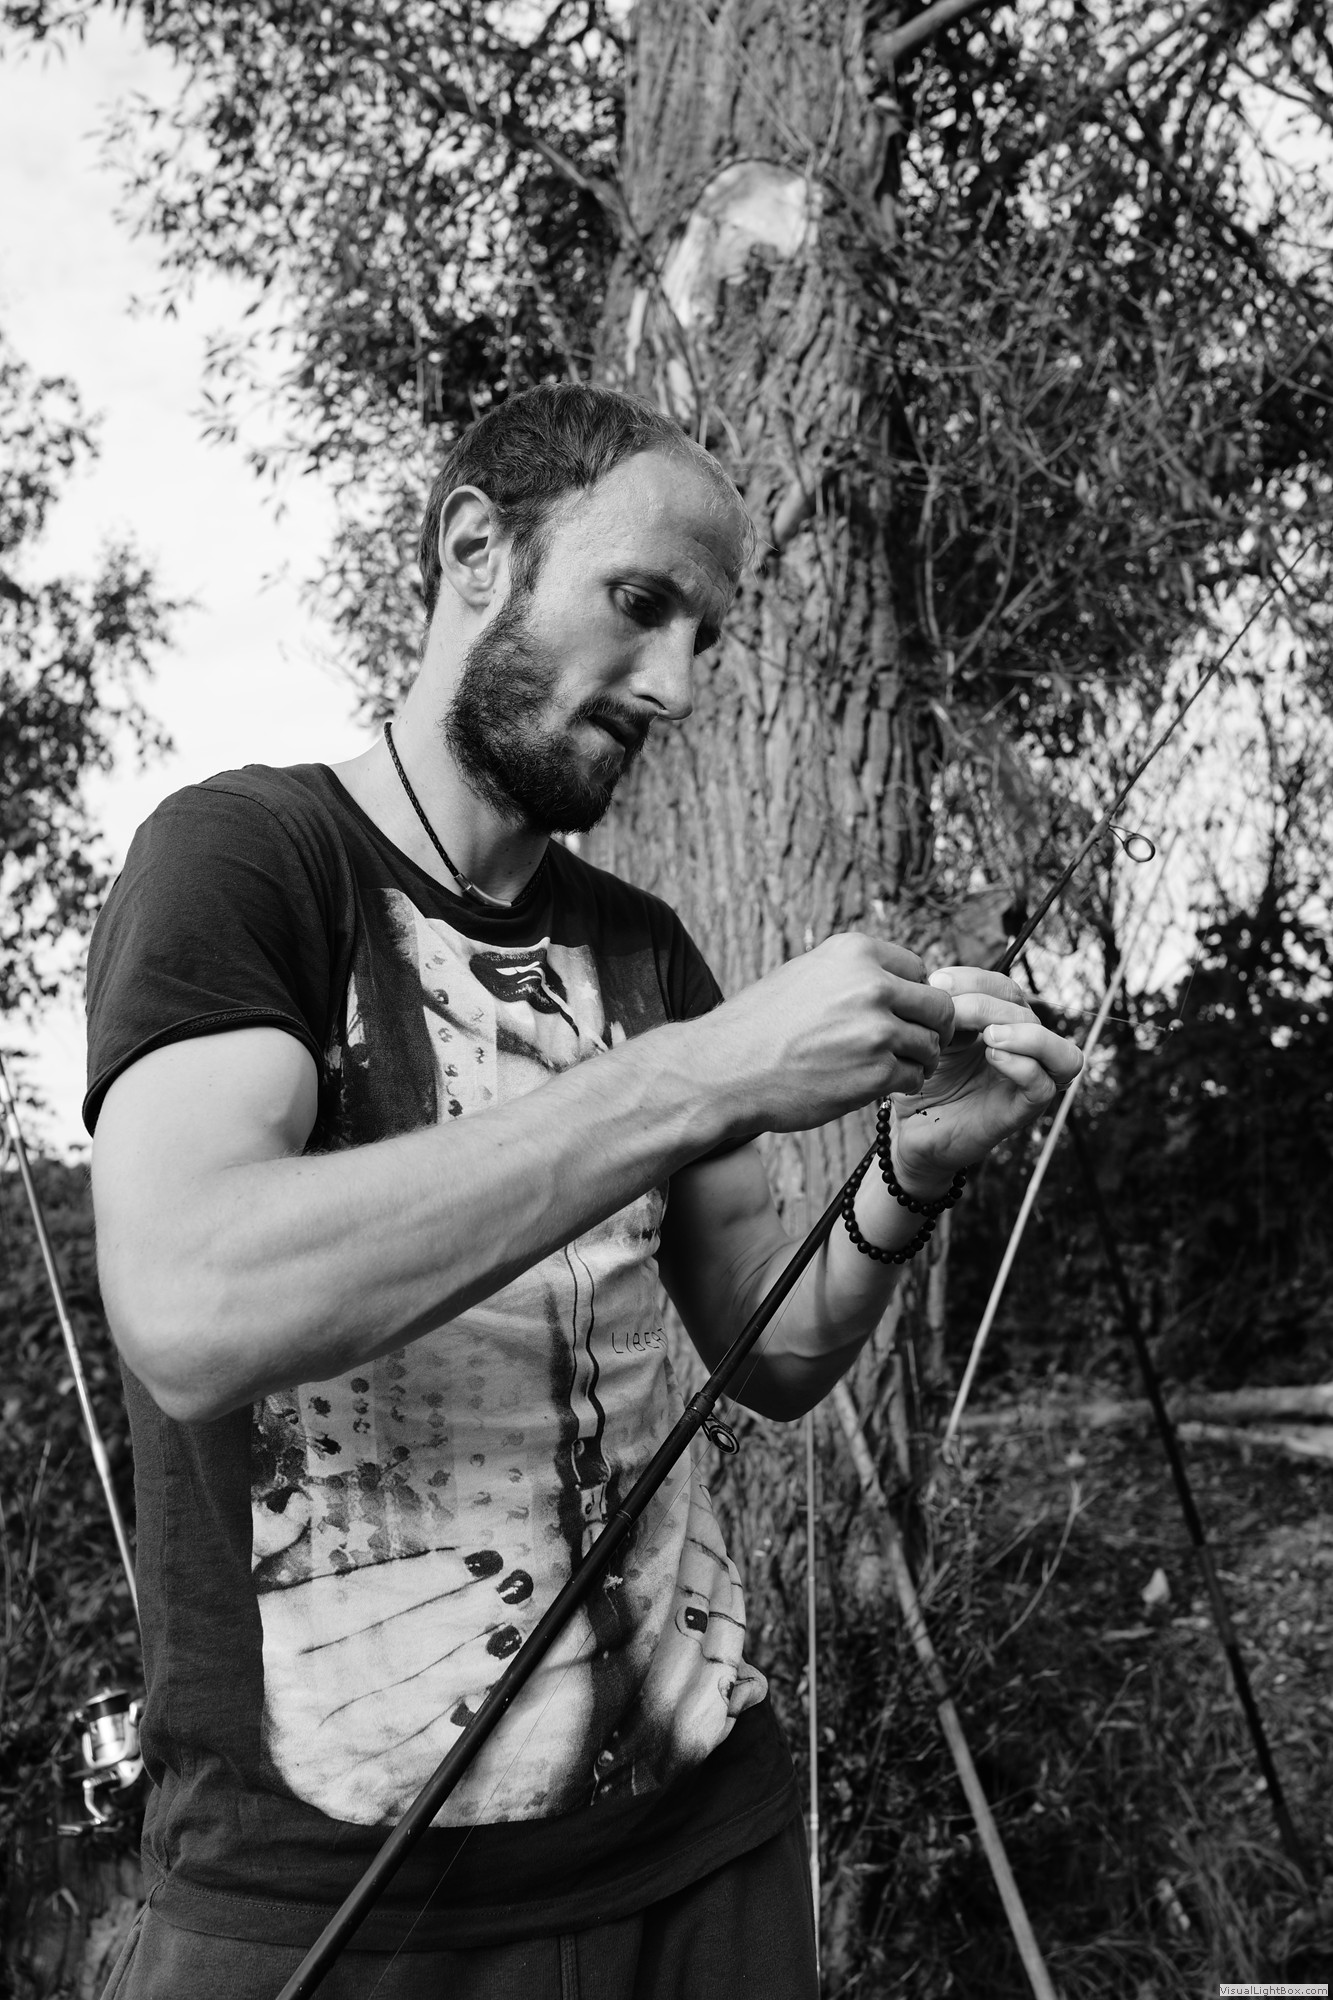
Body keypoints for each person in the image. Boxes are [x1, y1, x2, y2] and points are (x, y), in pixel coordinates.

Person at [86, 384, 1081, 1999]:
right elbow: (192, 1311)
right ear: (476, 549)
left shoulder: (643, 951)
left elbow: (769, 1352)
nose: (675, 683)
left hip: (700, 1844)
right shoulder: (250, 861)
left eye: (705, 635)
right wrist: (699, 1074)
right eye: (639, 603)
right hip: (332, 1897)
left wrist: (914, 1163)